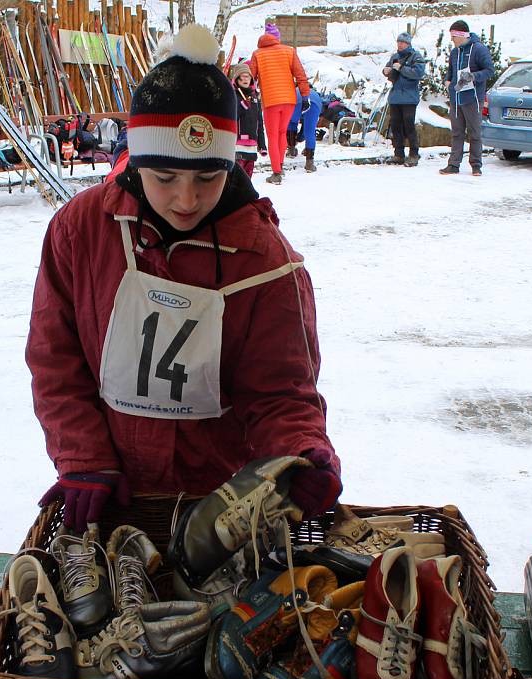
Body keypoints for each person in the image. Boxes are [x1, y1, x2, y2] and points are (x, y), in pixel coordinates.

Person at [27, 24, 341, 533]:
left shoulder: (267, 263)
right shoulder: (82, 230)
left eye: (207, 178)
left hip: (220, 510)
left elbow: (281, 393)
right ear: (134, 164)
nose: (186, 200)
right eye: (165, 178)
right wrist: (83, 457)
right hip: (114, 492)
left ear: (232, 166)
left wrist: (299, 454)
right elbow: (55, 358)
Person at [248, 22, 310, 185]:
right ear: (277, 38)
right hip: (289, 99)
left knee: (273, 135)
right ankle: (280, 165)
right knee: (282, 133)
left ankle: (276, 173)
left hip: (271, 100)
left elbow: (250, 78)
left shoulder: (257, 54)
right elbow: (300, 75)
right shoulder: (289, 51)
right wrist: (305, 96)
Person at [440, 20, 494, 177]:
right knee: (457, 132)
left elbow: (489, 70)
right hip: (456, 97)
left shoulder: (479, 49)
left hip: (472, 97)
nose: (452, 40)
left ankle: (476, 165)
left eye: (453, 36)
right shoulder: (455, 52)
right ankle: (453, 164)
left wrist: (473, 76)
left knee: (474, 132)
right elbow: (450, 72)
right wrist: (447, 81)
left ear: (461, 35)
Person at [382, 32, 425, 167]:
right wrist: (386, 71)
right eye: (398, 42)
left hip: (409, 97)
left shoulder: (416, 56)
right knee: (395, 126)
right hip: (395, 97)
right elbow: (387, 70)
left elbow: (418, 73)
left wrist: (401, 68)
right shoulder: (394, 57)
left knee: (409, 126)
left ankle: (414, 153)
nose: (400, 45)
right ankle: (399, 153)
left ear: (408, 43)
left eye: (403, 42)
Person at [232, 61, 267, 177]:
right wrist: (242, 106)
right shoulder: (233, 96)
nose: (245, 79)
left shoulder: (254, 97)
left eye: (248, 76)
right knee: (237, 178)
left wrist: (262, 145)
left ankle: (246, 196)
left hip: (251, 145)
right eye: (242, 76)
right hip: (237, 145)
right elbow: (231, 119)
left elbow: (259, 122)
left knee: (248, 178)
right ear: (237, 79)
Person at [286, 88, 322, 172]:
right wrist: (300, 138)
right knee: (310, 130)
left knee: (292, 123)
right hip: (315, 103)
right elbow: (306, 128)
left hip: (297, 101)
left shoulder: (295, 90)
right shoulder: (316, 94)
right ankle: (309, 163)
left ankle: (291, 150)